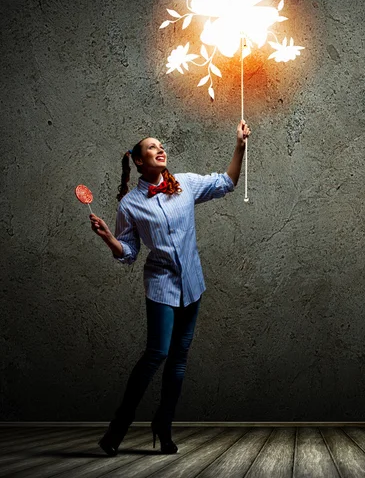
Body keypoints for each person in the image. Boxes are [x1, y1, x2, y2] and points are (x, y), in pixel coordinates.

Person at [89, 120, 251, 456]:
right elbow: (129, 252)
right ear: (138, 160)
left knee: (178, 360)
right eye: (151, 147)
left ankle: (163, 427)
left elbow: (228, 182)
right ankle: (117, 429)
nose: (160, 149)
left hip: (192, 283)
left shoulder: (187, 185)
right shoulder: (129, 205)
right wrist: (108, 238)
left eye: (161, 145)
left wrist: (239, 144)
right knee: (158, 353)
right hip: (161, 285)